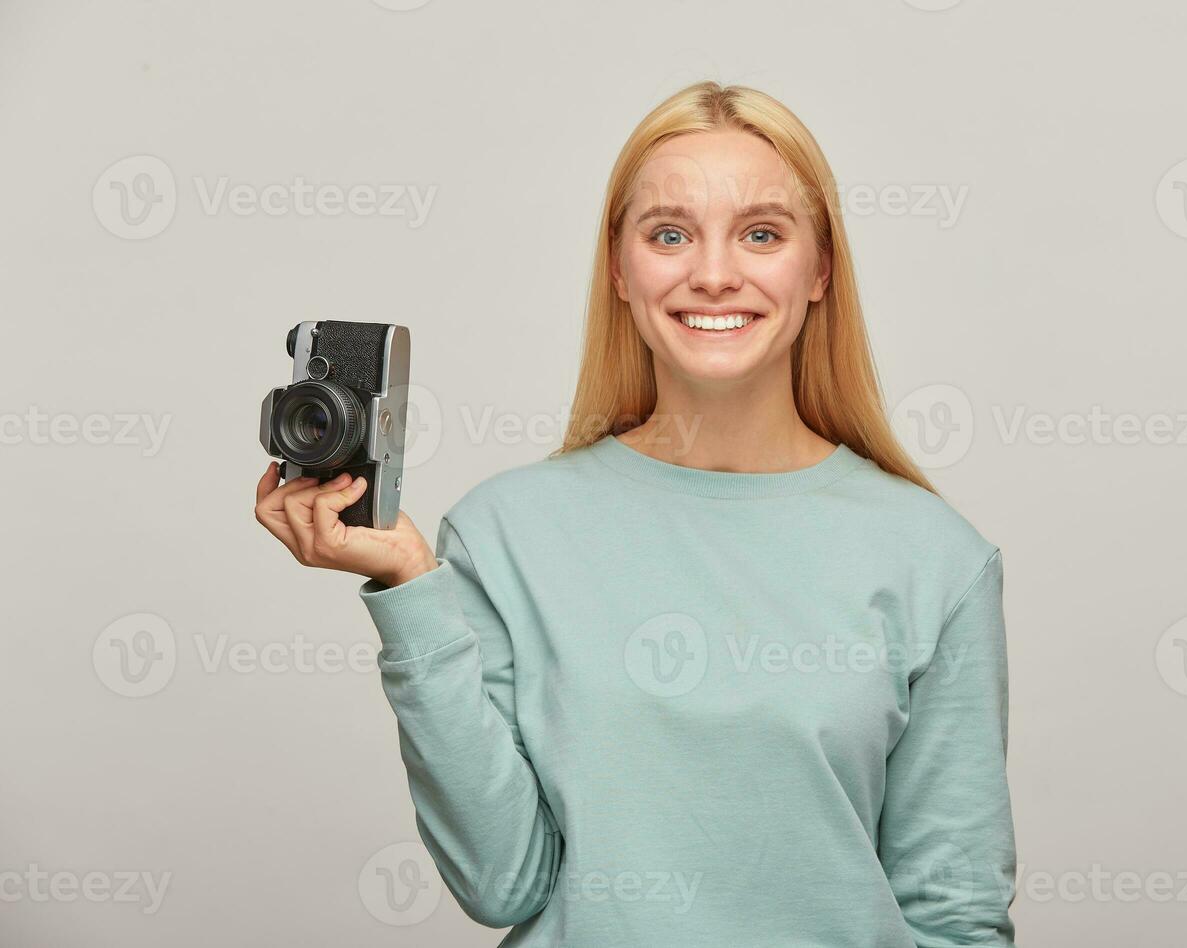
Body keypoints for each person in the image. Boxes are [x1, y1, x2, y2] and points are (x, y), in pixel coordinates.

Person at [254, 80, 1017, 947]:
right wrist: (410, 592)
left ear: (820, 270)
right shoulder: (506, 534)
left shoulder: (936, 559)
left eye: (762, 233)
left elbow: (955, 918)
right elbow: (503, 883)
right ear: (619, 270)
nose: (715, 273)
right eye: (669, 234)